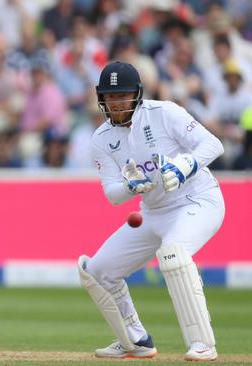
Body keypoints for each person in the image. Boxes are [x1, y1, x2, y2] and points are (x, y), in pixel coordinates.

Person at [78, 61, 225, 361]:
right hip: (154, 212)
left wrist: (185, 165)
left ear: (138, 94)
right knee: (97, 271)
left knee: (173, 253)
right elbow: (112, 195)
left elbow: (213, 144)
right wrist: (131, 187)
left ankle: (202, 343)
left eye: (123, 95)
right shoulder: (101, 138)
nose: (116, 102)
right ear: (101, 98)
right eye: (110, 96)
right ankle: (136, 340)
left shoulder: (164, 113)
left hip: (198, 200)